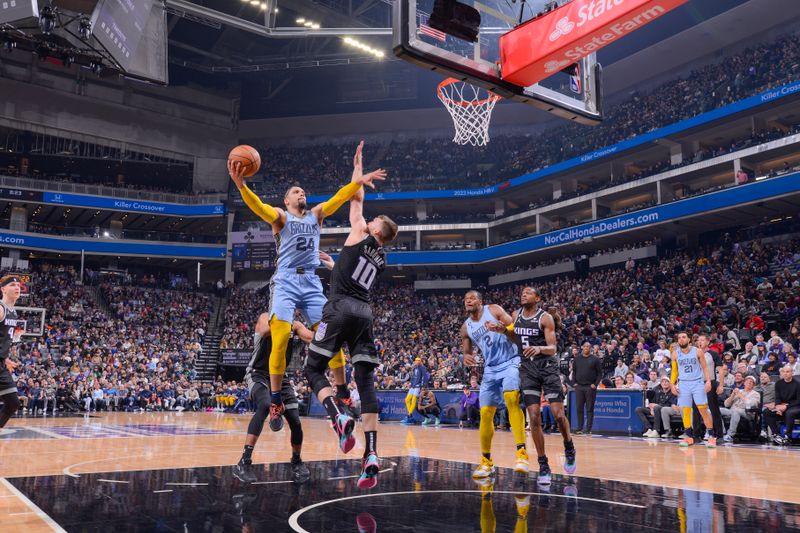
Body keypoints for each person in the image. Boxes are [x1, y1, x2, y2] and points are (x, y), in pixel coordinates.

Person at [229, 141, 385, 429]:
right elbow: (259, 207)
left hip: (311, 280)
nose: (302, 193)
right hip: (287, 279)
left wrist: (357, 180)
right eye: (296, 191)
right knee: (281, 336)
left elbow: (340, 198)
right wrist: (242, 187)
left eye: (303, 191)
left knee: (330, 337)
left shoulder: (316, 215)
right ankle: (276, 400)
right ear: (287, 200)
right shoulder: (281, 216)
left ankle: (342, 396)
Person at [304, 182, 398, 489]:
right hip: (364, 313)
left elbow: (355, 200)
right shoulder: (382, 258)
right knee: (366, 384)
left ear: (375, 231)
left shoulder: (360, 230)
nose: (368, 222)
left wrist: (359, 174)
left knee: (313, 368)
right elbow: (355, 272)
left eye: (373, 223)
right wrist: (334, 264)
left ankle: (338, 416)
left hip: (341, 308)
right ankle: (371, 454)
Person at [502, 285, 576, 485]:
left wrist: (539, 348)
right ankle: (543, 463)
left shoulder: (545, 318)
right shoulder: (515, 315)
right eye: (522, 292)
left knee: (559, 415)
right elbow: (514, 338)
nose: (523, 294)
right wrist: (502, 330)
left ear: (537, 298)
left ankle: (569, 445)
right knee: (533, 416)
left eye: (528, 292)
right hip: (527, 369)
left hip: (547, 367)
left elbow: (552, 349)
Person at [233, 313, 315, 484]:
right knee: (264, 405)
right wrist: (288, 326)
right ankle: (244, 462)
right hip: (258, 373)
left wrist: (327, 328)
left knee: (295, 420)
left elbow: (312, 337)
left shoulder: (296, 325)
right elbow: (264, 331)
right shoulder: (265, 317)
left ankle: (296, 460)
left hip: (280, 377)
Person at [462, 290, 528, 480]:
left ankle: (522, 453)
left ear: (480, 301)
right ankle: (486, 461)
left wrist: (504, 329)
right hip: (490, 369)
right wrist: (466, 356)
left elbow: (518, 331)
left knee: (510, 398)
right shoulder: (465, 328)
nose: (469, 301)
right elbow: (467, 351)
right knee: (485, 413)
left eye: (472, 298)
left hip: (511, 360)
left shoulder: (494, 310)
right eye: (466, 299)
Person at [671, 332, 717, 447]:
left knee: (703, 410)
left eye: (683, 337)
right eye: (679, 338)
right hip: (683, 384)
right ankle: (689, 437)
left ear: (689, 339)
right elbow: (674, 371)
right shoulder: (675, 354)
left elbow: (705, 367)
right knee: (685, 410)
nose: (681, 339)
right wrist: (672, 385)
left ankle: (711, 436)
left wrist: (707, 381)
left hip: (697, 383)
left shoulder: (698, 351)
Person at [0, 276, 22, 429]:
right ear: (3, 289)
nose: (17, 287)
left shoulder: (13, 313)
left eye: (18, 285)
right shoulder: (0, 308)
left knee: (13, 403)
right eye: (13, 285)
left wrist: (5, 359)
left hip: (1, 364)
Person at [763, 365, 800, 445]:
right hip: (782, 406)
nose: (785, 374)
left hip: (795, 406)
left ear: (792, 373)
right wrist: (777, 407)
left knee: (789, 412)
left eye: (787, 372)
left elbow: (798, 400)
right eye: (783, 372)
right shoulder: (778, 383)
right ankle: (776, 434)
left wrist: (786, 406)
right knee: (767, 412)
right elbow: (777, 397)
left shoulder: (797, 384)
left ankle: (788, 437)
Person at [720, 374, 760, 443]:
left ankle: (730, 435)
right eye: (747, 381)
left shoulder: (755, 394)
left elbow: (750, 404)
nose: (749, 383)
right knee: (716, 410)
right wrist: (732, 395)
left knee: (736, 411)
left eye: (751, 382)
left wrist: (740, 395)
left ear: (754, 385)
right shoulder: (739, 391)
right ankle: (721, 432)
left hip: (747, 413)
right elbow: (726, 404)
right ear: (744, 383)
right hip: (732, 411)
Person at [573, 341, 602, 435]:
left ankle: (588, 429)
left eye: (588, 346)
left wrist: (595, 384)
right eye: (585, 346)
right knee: (579, 408)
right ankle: (579, 428)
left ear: (591, 348)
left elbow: (600, 373)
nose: (586, 348)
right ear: (582, 347)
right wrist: (574, 383)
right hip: (579, 387)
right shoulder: (577, 359)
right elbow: (574, 372)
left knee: (589, 408)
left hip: (590, 387)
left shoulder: (595, 359)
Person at [402, 358, 430, 425]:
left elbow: (424, 377)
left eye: (418, 360)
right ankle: (410, 414)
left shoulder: (423, 367)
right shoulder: (414, 368)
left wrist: (423, 386)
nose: (417, 361)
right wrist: (410, 384)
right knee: (407, 400)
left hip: (418, 386)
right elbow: (413, 377)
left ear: (420, 361)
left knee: (414, 399)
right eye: (416, 360)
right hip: (413, 386)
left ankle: (409, 416)